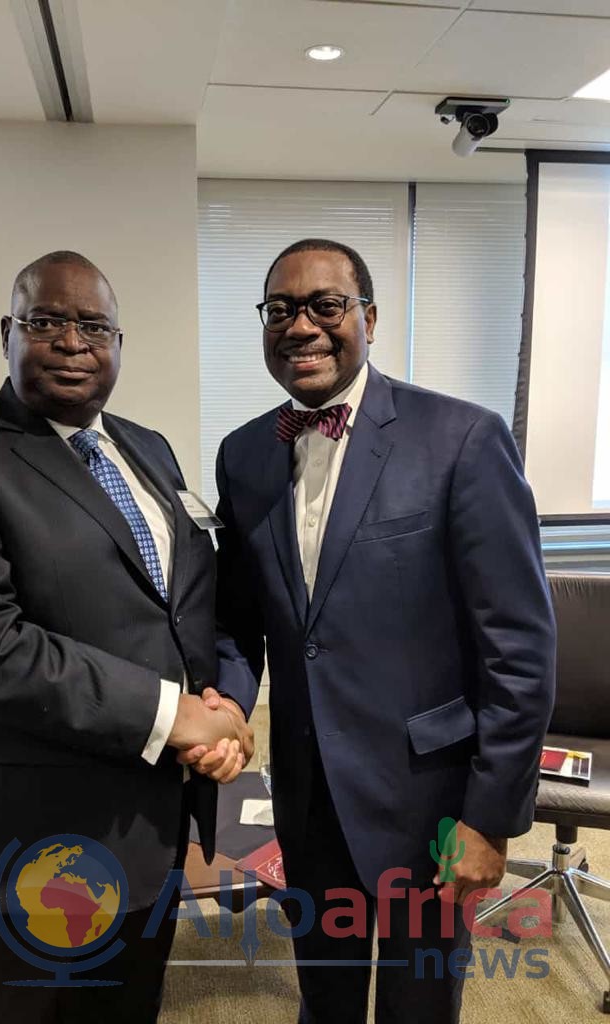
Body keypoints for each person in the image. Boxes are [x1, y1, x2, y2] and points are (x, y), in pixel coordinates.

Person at [0, 250, 255, 1023]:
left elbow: (188, 603)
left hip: (147, 825)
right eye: (46, 320)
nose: (72, 342)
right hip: (22, 838)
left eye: (94, 326)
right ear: (7, 333)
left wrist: (222, 707)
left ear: (118, 342)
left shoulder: (148, 447)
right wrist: (176, 715)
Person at [203, 238, 556, 1023]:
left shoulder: (462, 439)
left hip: (429, 796)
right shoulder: (244, 455)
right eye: (280, 310)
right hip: (306, 791)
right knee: (324, 995)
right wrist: (226, 703)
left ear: (369, 317)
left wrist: (490, 816)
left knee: (418, 1002)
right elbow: (239, 618)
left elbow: (520, 649)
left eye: (325, 306)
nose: (302, 326)